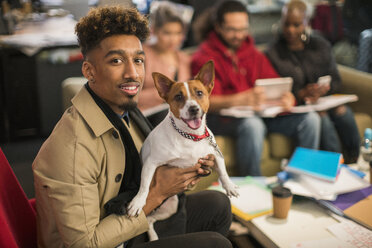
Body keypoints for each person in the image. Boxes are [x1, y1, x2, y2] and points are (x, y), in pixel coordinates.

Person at [32, 6, 233, 248]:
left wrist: (184, 172)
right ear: (89, 70)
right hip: (108, 241)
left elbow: (154, 164)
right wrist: (156, 193)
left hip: (134, 219)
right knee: (215, 244)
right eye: (116, 60)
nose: (133, 73)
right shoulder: (72, 148)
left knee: (218, 204)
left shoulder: (126, 111)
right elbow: (83, 244)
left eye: (138, 60)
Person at [191, 0, 321, 176]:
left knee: (310, 119)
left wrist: (286, 97)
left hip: (260, 114)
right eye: (231, 30)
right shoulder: (204, 57)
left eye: (243, 29)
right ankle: (253, 186)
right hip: (223, 119)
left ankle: (305, 179)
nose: (238, 35)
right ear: (218, 27)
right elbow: (202, 101)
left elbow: (274, 83)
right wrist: (241, 99)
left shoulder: (252, 53)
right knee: (253, 125)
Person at [265, 0, 360, 163]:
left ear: (306, 23)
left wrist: (324, 90)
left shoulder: (320, 45)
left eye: (296, 25)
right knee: (321, 117)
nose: (290, 30)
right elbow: (276, 89)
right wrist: (301, 94)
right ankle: (335, 164)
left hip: (324, 99)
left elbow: (336, 80)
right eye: (287, 24)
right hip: (298, 105)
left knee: (343, 112)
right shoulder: (274, 52)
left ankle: (357, 161)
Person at [137, 2, 191, 126]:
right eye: (167, 33)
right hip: (146, 116)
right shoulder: (141, 54)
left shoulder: (183, 59)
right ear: (154, 31)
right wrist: (164, 95)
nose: (173, 39)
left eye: (178, 33)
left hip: (177, 116)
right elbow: (130, 96)